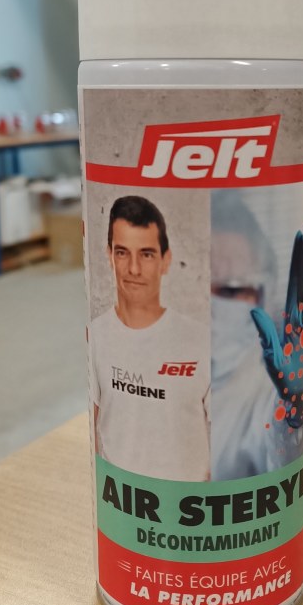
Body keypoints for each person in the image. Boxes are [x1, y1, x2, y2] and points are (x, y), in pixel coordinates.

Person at [90, 195, 210, 481]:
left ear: (165, 261)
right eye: (122, 253)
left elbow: (231, 449)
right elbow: (94, 429)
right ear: (109, 255)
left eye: (146, 254)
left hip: (191, 501)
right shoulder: (96, 334)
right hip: (122, 498)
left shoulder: (201, 341)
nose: (133, 269)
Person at [210, 192, 303, 481]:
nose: (210, 307)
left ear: (263, 298)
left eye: (230, 290)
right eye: (198, 288)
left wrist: (294, 412)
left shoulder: (266, 394)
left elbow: (282, 456)